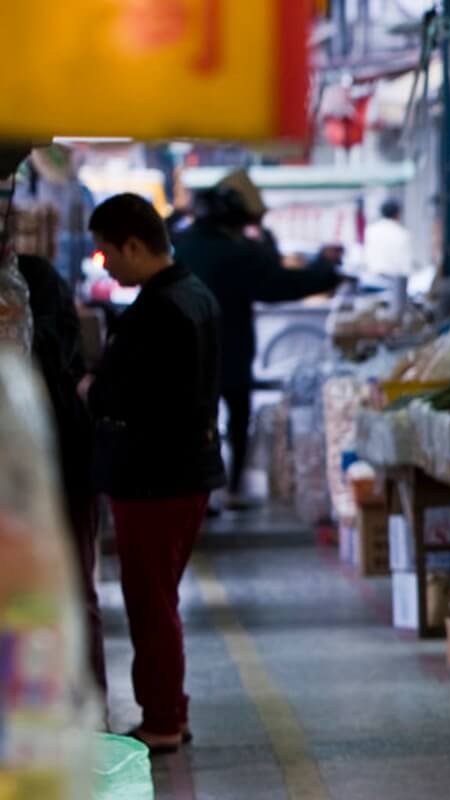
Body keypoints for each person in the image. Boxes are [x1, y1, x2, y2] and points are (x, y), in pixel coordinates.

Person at [87, 193, 225, 752]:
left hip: (154, 478)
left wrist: (92, 392)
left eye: (106, 254)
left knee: (150, 603)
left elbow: (126, 396)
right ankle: (170, 713)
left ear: (135, 246)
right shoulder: (195, 296)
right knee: (158, 598)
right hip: (184, 472)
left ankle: (162, 720)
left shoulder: (156, 313)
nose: (105, 264)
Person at [174, 172, 341, 503]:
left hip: (184, 355)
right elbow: (279, 284)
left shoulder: (181, 245)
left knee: (193, 425)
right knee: (236, 418)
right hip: (229, 350)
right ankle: (232, 487)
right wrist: (324, 270)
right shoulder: (237, 252)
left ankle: (197, 493)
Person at [1, 143, 101, 696]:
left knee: (59, 593)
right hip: (66, 467)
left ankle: (73, 704)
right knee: (66, 591)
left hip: (55, 467)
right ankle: (83, 703)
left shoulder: (34, 286)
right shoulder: (42, 288)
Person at [361, 197, 421, 294]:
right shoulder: (402, 233)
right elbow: (405, 264)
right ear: (397, 214)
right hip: (393, 283)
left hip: (371, 280)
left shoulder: (371, 230)